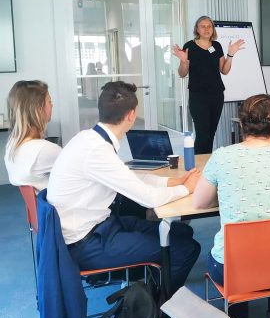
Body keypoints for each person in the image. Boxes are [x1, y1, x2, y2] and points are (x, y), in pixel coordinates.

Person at [47, 81, 202, 293]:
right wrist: (189, 189)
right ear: (131, 115)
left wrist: (173, 182)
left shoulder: (89, 139)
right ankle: (158, 311)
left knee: (181, 232)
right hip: (87, 244)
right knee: (186, 248)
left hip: (97, 227)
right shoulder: (97, 151)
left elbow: (128, 177)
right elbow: (148, 199)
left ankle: (151, 285)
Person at [192, 94, 270, 318]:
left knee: (231, 254)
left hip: (233, 269)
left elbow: (199, 202)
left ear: (241, 125)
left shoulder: (221, 156)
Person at [172, 15, 245, 154]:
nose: (206, 29)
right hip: (198, 96)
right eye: (203, 26)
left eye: (209, 26)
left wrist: (230, 55)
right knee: (202, 134)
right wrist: (183, 61)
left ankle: (205, 163)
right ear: (197, 29)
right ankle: (197, 164)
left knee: (211, 133)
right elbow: (182, 74)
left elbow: (224, 70)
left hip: (216, 95)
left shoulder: (216, 46)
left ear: (212, 29)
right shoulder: (189, 46)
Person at [4, 80, 61, 192]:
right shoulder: (44, 150)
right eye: (49, 102)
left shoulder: (12, 143)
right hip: (59, 207)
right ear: (38, 109)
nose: (52, 105)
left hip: (41, 206)